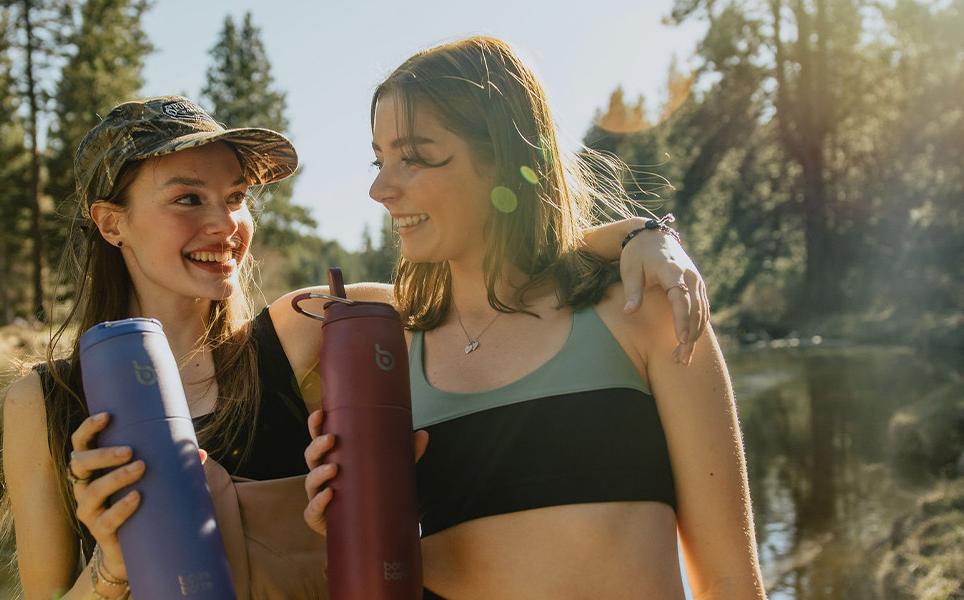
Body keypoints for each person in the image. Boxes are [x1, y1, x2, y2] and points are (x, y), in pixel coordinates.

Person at [0, 94, 713, 599]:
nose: (225, 224)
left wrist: (645, 236)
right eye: (188, 199)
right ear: (111, 223)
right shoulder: (47, 403)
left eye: (236, 197)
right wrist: (111, 569)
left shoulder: (301, 333)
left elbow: (495, 277)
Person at [302, 37, 766, 599]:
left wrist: (647, 233)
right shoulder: (388, 355)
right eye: (379, 161)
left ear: (504, 159)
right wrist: (359, 534)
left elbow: (729, 582)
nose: (380, 189)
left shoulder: (643, 309)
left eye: (415, 157)